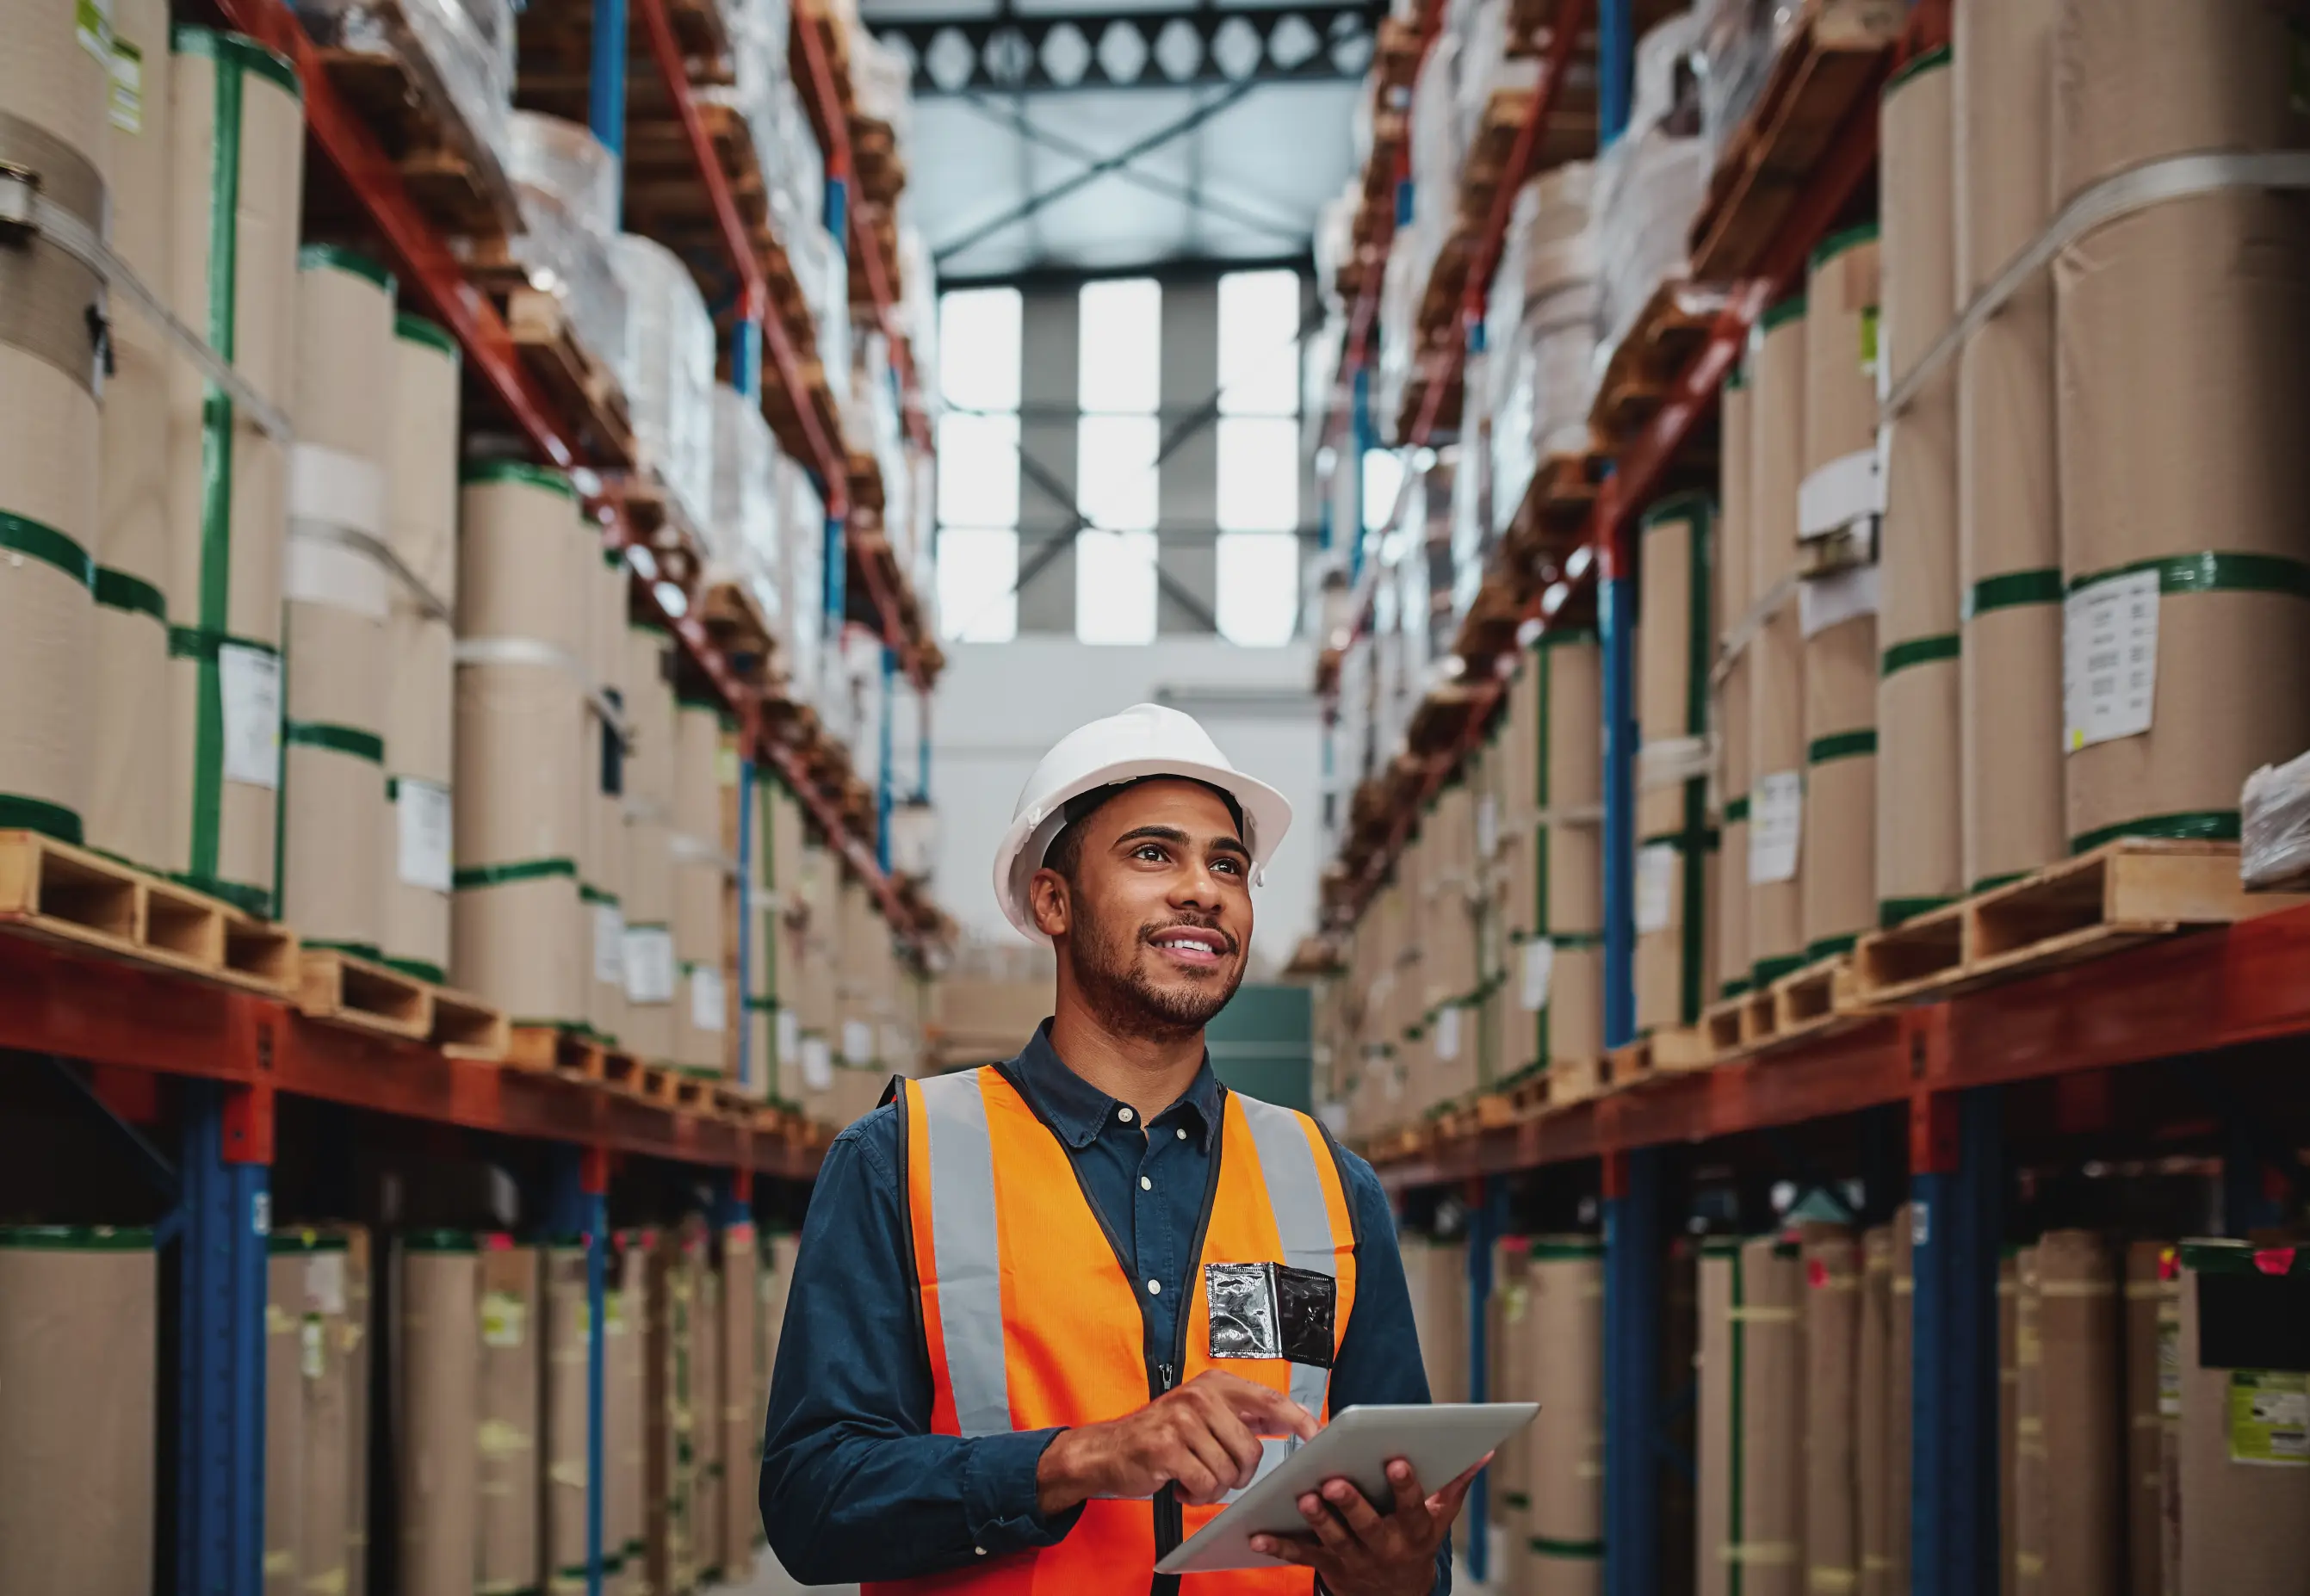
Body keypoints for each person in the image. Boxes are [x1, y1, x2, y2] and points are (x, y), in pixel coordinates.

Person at [759, 703, 1475, 1593]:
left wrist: (1399, 1571)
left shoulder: (1327, 1184)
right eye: (1152, 854)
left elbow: (1401, 1535)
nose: (1203, 890)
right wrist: (1078, 1459)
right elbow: (812, 1501)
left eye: (1229, 865)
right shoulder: (900, 1160)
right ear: (1051, 902)